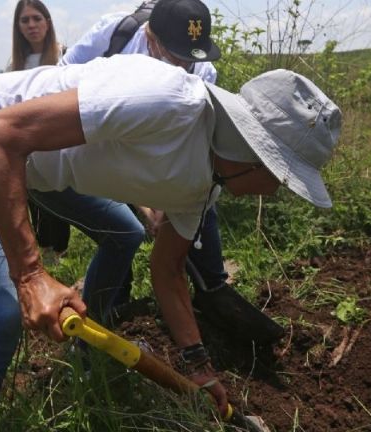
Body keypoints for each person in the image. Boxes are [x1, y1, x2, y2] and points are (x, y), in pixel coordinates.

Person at [0, 54, 342, 430]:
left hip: (31, 165)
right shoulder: (169, 101)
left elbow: (168, 271)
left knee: (123, 233)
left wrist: (198, 366)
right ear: (256, 154)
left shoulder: (204, 189)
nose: (277, 191)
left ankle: (84, 352)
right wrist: (30, 275)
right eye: (284, 178)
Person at [50, 0, 243, 330]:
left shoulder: (203, 72)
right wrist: (143, 203)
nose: (183, 66)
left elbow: (192, 145)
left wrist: (169, 204)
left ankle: (212, 289)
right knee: (121, 231)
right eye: (175, 55)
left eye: (191, 57)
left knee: (198, 206)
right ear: (151, 38)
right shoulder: (116, 36)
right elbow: (61, 87)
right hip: (91, 145)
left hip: (156, 149)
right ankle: (109, 315)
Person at [9, 0, 72, 260]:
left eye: (37, 18)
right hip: (28, 143)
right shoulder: (15, 63)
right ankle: (47, 254)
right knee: (37, 200)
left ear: (48, 22)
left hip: (61, 138)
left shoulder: (65, 55)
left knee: (63, 196)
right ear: (18, 27)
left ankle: (62, 250)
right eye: (25, 20)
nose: (32, 25)